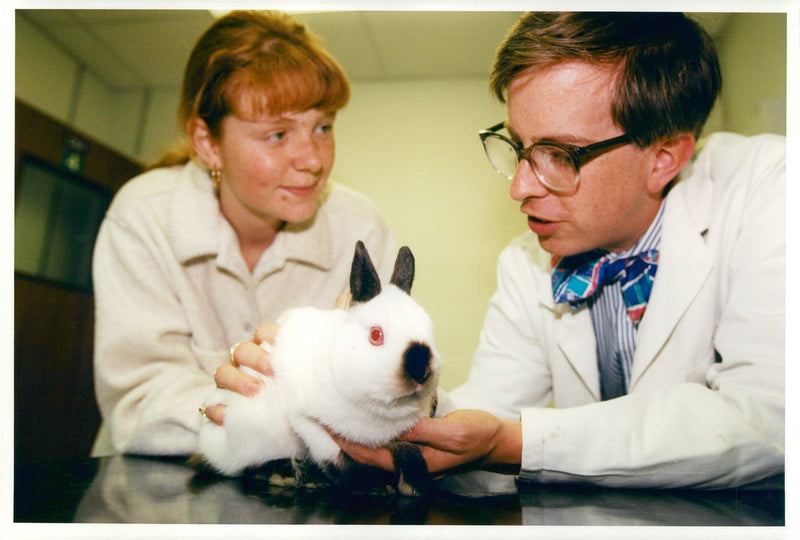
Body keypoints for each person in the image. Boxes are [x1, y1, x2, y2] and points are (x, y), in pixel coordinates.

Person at [326, 12, 785, 492]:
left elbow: (767, 417)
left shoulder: (769, 189)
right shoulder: (526, 262)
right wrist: (363, 388)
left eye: (561, 154)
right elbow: (482, 423)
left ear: (663, 158)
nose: (519, 188)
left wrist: (518, 444)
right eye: (519, 147)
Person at [91, 10, 396, 456]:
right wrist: (260, 410)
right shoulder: (143, 215)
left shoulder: (360, 229)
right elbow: (139, 403)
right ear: (207, 142)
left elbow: (388, 390)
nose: (312, 160)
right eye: (277, 134)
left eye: (323, 127)